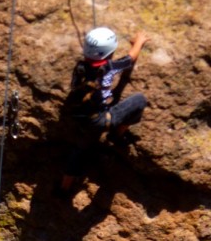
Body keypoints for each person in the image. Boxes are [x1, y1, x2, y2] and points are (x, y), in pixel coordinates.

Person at [58, 26, 148, 193]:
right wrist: (139, 42)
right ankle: (117, 135)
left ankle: (63, 188)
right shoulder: (109, 67)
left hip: (80, 116)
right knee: (139, 100)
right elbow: (130, 59)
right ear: (110, 52)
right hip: (99, 119)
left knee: (80, 149)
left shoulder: (80, 67)